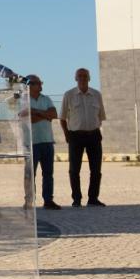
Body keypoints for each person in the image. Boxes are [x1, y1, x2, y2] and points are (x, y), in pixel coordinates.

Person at [61, 68, 107, 207]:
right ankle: (76, 199)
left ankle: (93, 198)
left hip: (94, 135)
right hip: (76, 136)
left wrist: (96, 130)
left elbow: (101, 116)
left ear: (89, 78)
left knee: (96, 170)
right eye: (79, 76)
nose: (82, 78)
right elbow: (62, 118)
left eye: (85, 76)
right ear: (75, 78)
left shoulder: (97, 95)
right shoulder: (69, 95)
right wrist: (67, 135)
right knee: (74, 170)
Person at [23, 74, 60, 210]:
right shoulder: (23, 100)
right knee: (30, 174)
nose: (41, 85)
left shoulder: (46, 99)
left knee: (48, 174)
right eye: (38, 83)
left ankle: (48, 200)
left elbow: (54, 114)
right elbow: (29, 118)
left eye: (40, 83)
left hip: (47, 141)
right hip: (31, 143)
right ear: (29, 85)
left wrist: (36, 111)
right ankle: (29, 201)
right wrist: (45, 115)